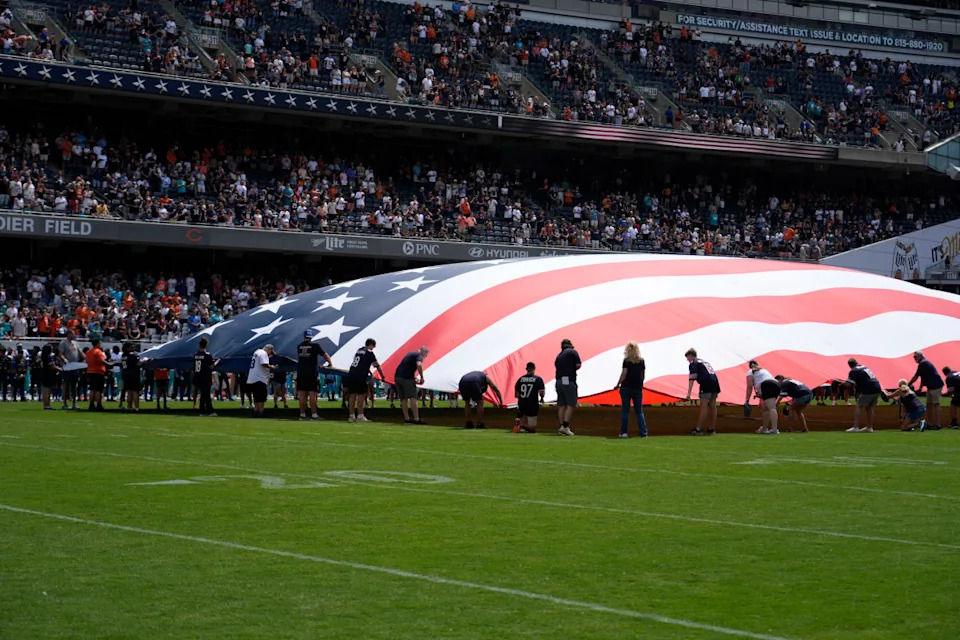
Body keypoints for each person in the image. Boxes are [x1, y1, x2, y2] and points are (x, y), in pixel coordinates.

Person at [345, 338, 385, 422]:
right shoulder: (369, 353)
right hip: (360, 375)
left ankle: (351, 416)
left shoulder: (359, 350)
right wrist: (383, 376)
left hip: (352, 373)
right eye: (373, 346)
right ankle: (360, 415)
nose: (373, 348)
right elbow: (377, 365)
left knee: (352, 395)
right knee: (361, 395)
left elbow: (361, 363)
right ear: (371, 345)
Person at [296, 330, 332, 420]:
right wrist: (330, 363)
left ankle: (302, 414)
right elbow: (325, 355)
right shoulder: (315, 345)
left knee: (302, 394)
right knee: (313, 394)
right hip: (311, 373)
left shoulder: (299, 346)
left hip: (301, 372)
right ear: (311, 337)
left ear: (304, 336)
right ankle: (314, 414)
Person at [684, 348, 720, 435]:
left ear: (691, 356)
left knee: (704, 407)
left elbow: (692, 379)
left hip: (706, 384)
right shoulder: (704, 362)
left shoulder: (694, 364)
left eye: (687, 357)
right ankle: (712, 428)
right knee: (713, 406)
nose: (687, 360)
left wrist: (688, 393)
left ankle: (698, 429)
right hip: (715, 383)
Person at [614, 342, 647, 438]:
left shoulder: (627, 361)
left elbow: (624, 374)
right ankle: (643, 433)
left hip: (626, 387)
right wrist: (640, 384)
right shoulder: (641, 361)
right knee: (639, 411)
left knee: (625, 411)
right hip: (637, 388)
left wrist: (618, 384)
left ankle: (624, 432)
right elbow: (643, 375)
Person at [908, 351, 943, 431]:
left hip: (935, 386)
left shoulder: (923, 363)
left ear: (920, 356)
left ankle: (937, 424)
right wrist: (920, 387)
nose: (915, 359)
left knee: (936, 404)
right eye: (914, 357)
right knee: (929, 405)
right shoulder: (923, 363)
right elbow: (922, 376)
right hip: (930, 386)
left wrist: (907, 384)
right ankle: (930, 424)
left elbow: (916, 376)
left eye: (915, 357)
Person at [845, 358, 882, 433]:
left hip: (868, 389)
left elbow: (848, 384)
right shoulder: (864, 367)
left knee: (859, 406)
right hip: (877, 387)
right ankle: (869, 427)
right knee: (869, 408)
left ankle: (856, 427)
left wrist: (838, 381)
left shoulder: (854, 371)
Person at [395, 346, 429, 424]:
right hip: (406, 378)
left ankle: (407, 419)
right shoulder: (419, 355)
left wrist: (413, 377)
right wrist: (422, 377)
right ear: (423, 351)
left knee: (403, 398)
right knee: (413, 397)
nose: (424, 357)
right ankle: (416, 419)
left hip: (398, 376)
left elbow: (406, 367)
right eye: (425, 355)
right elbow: (419, 364)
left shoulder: (410, 353)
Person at [745, 360, 780, 435]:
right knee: (765, 408)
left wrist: (747, 400)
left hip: (767, 385)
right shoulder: (763, 370)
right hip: (775, 385)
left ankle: (774, 429)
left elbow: (749, 386)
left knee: (771, 408)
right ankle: (764, 428)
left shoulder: (750, 372)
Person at [554, 338, 581, 436]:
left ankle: (561, 425)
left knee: (561, 405)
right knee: (571, 404)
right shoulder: (573, 352)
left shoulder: (559, 356)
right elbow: (578, 365)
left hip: (558, 380)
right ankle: (565, 426)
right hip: (568, 380)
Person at [514, 362, 544, 433]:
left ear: (526, 369)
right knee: (532, 428)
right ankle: (521, 425)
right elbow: (541, 392)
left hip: (522, 403)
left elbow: (516, 394)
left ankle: (520, 425)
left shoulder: (520, 379)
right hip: (532, 404)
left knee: (523, 416)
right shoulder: (538, 379)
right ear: (534, 368)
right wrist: (542, 398)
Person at [247, 344, 276, 418]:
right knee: (261, 397)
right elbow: (264, 364)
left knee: (256, 397)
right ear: (269, 349)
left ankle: (256, 411)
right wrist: (272, 367)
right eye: (270, 352)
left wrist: (267, 357)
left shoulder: (257, 352)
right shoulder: (263, 353)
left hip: (253, 378)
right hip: (260, 378)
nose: (270, 354)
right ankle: (261, 412)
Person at [194, 337, 220, 416]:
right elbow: (212, 366)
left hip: (198, 376)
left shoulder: (196, 355)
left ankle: (202, 410)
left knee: (203, 394)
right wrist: (218, 361)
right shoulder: (207, 356)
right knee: (207, 395)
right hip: (205, 377)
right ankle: (210, 411)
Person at [57, 330, 83, 409]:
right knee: (66, 385)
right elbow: (60, 353)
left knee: (75, 385)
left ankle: (74, 403)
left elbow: (81, 353)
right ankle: (64, 403)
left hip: (75, 366)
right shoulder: (63, 343)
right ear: (68, 334)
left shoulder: (75, 343)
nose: (74, 335)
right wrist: (64, 359)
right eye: (72, 334)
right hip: (67, 367)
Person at [85, 338, 107, 411]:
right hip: (98, 372)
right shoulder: (98, 352)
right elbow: (101, 361)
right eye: (100, 343)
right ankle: (98, 405)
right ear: (97, 344)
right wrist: (110, 364)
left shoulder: (88, 352)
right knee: (98, 390)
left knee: (92, 389)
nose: (101, 344)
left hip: (90, 371)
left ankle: (91, 404)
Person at [121, 343, 142, 412]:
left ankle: (129, 407)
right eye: (131, 346)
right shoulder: (133, 355)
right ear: (127, 348)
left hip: (126, 375)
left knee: (129, 392)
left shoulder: (123, 355)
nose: (133, 348)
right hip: (133, 375)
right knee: (135, 392)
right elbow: (139, 363)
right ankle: (136, 407)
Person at [40, 344, 60, 410]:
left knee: (45, 389)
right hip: (49, 374)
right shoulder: (49, 357)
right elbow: (52, 366)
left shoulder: (44, 356)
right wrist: (60, 369)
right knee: (47, 390)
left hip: (44, 373)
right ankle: (47, 404)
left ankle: (46, 404)